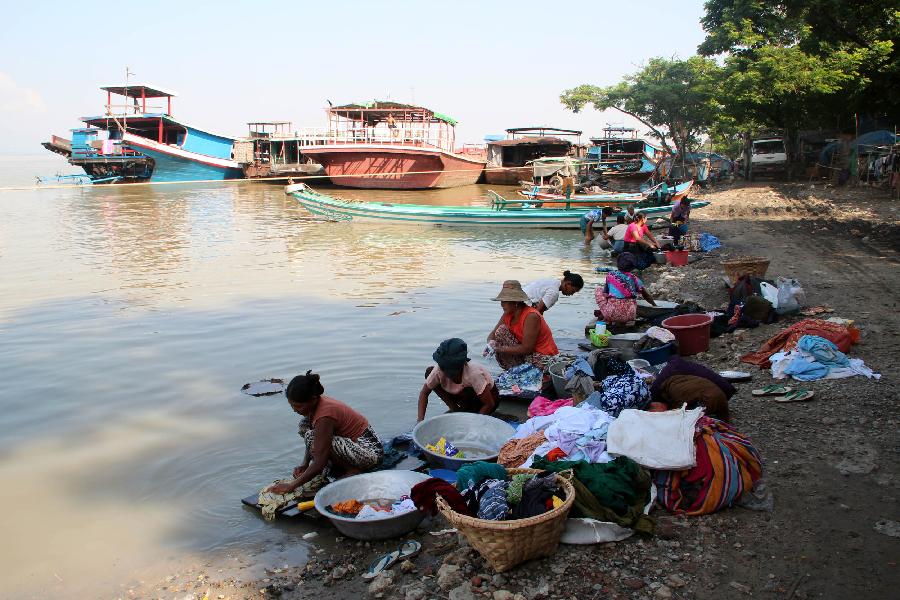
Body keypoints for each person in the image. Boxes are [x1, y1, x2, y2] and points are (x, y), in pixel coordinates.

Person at [267, 371, 384, 495]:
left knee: (314, 439)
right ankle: (343, 466)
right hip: (355, 446)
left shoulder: (325, 416)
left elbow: (319, 463)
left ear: (312, 399)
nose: (294, 410)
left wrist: (291, 486)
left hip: (370, 453)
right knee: (304, 426)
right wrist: (305, 463)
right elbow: (312, 436)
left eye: (298, 406)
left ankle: (352, 471)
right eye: (292, 406)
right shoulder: (316, 405)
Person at [417, 338, 498, 421]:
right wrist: (420, 421)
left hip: (487, 399)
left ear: (459, 366)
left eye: (449, 367)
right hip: (462, 397)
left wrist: (474, 424)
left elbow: (489, 404)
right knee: (429, 372)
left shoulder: (473, 373)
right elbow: (424, 393)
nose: (444, 370)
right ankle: (455, 410)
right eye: (443, 367)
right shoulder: (439, 369)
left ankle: (469, 412)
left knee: (468, 392)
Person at [487, 280, 559, 370]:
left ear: (516, 303)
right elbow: (493, 333)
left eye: (505, 301)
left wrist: (500, 349)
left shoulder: (531, 316)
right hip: (526, 355)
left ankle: (519, 370)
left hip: (543, 356)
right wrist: (490, 344)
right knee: (500, 331)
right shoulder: (507, 314)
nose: (502, 305)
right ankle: (514, 369)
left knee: (501, 334)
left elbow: (527, 348)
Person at [595, 252, 656, 324]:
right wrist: (655, 305)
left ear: (617, 264)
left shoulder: (610, 275)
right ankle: (618, 316)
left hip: (611, 314)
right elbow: (646, 296)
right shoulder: (635, 279)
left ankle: (606, 314)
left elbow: (606, 294)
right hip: (630, 316)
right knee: (631, 298)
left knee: (598, 290)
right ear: (632, 266)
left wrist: (611, 305)